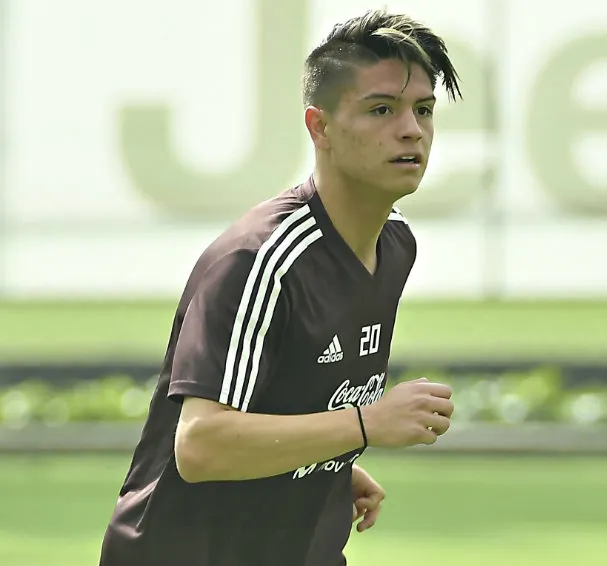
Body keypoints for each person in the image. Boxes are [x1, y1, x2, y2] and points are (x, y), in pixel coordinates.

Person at [98, 8, 463, 566]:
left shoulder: (394, 249)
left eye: (423, 110)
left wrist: (326, 463)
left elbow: (287, 399)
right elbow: (200, 445)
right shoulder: (262, 259)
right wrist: (366, 424)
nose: (411, 129)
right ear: (320, 127)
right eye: (381, 109)